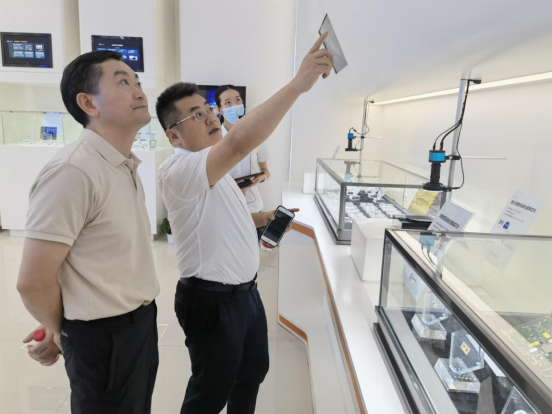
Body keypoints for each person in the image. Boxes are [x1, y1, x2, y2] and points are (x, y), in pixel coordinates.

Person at [155, 33, 333, 414]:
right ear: (174, 135)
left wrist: (265, 218)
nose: (211, 116)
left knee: (252, 371)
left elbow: (225, 213)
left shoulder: (212, 167)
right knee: (210, 392)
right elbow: (238, 143)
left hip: (246, 294)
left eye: (208, 108)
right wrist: (298, 84)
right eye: (197, 114)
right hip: (211, 300)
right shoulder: (178, 169)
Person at [17, 51, 160, 413]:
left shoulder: (122, 164)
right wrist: (61, 330)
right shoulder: (73, 171)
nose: (139, 91)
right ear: (88, 103)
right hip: (102, 336)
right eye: (123, 82)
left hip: (139, 323)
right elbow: (32, 281)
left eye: (138, 82)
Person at [214, 85, 270, 215]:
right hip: (224, 208)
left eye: (237, 100)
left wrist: (262, 177)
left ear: (242, 103)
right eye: (228, 102)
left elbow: (266, 171)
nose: (234, 105)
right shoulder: (212, 140)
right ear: (220, 110)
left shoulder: (256, 136)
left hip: (253, 206)